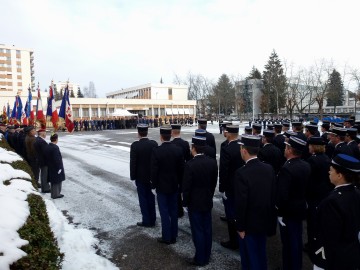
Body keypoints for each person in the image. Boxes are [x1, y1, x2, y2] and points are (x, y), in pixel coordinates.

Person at [311, 154, 360, 270]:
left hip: (332, 259)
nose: (329, 172)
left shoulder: (332, 202)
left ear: (339, 175)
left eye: (332, 170)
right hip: (351, 255)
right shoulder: (356, 193)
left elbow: (328, 237)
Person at [235, 134, 277, 270]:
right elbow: (272, 197)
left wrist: (240, 227)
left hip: (249, 224)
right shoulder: (269, 169)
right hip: (264, 221)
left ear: (244, 150)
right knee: (261, 254)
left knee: (249, 257)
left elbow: (241, 203)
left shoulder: (242, 173)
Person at [182, 136, 218, 267]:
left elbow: (186, 187)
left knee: (198, 231)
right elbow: (214, 183)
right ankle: (207, 255)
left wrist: (185, 203)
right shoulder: (212, 162)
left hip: (195, 202)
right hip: (207, 200)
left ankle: (200, 258)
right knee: (207, 229)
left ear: (194, 148)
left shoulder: (190, 165)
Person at [276, 136, 311, 270]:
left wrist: (279, 211)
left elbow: (283, 195)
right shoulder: (305, 164)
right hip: (300, 208)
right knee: (296, 241)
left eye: (286, 147)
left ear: (290, 150)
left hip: (288, 212)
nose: (285, 150)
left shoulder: (287, 168)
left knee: (289, 243)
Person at [151, 126, 184, 245]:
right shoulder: (178, 150)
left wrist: (153, 185)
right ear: (170, 135)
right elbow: (181, 169)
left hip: (161, 186)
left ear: (161, 137)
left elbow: (154, 171)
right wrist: (180, 184)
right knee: (173, 211)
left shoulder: (157, 151)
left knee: (164, 212)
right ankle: (174, 235)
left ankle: (166, 236)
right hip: (174, 185)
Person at [304, 137, 332, 253]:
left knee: (313, 223)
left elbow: (309, 180)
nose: (309, 147)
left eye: (310, 145)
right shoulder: (326, 158)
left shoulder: (312, 160)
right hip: (325, 194)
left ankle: (312, 245)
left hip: (314, 196)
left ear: (314, 147)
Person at [219, 125, 244, 250]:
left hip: (231, 187)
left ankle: (234, 241)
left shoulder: (227, 149)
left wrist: (222, 188)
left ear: (228, 133)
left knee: (231, 215)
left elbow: (224, 170)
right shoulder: (243, 145)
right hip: (243, 186)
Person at [130, 124, 158, 227]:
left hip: (140, 177)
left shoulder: (135, 145)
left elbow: (133, 163)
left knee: (143, 199)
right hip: (151, 177)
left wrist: (133, 177)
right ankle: (153, 219)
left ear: (138, 133)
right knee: (151, 199)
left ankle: (146, 220)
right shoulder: (153, 144)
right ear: (147, 132)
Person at [171, 123, 191, 218]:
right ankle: (185, 206)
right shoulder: (185, 143)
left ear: (172, 132)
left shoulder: (171, 144)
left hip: (174, 171)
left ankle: (178, 210)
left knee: (176, 192)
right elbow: (188, 158)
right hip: (184, 170)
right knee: (184, 190)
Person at [46, 133, 65, 199]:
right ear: (56, 139)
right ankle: (56, 194)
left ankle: (55, 194)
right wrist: (59, 168)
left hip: (51, 166)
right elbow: (57, 159)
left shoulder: (49, 146)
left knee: (54, 181)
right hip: (56, 167)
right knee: (57, 181)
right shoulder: (55, 148)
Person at [33, 128, 51, 193]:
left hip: (40, 159)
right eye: (45, 132)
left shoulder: (38, 139)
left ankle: (45, 187)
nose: (45, 134)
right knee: (44, 174)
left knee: (44, 174)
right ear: (42, 133)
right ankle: (45, 188)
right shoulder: (41, 141)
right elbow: (45, 152)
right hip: (43, 160)